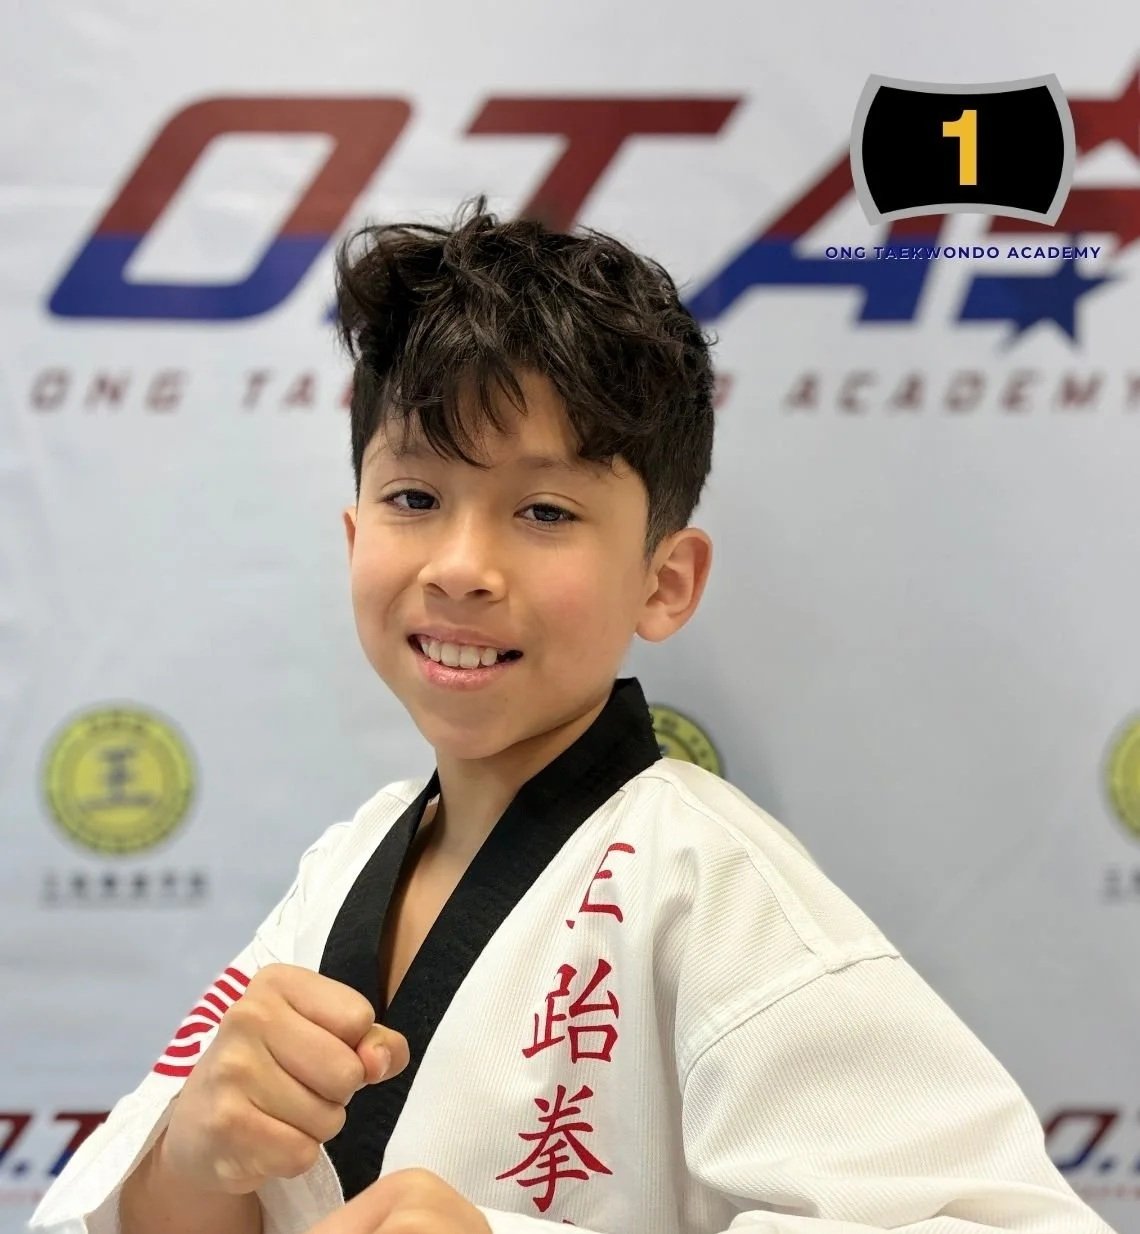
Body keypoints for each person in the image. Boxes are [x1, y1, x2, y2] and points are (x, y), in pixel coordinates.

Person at [30, 196, 1117, 1234]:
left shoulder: (715, 889)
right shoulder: (344, 864)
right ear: (353, 533)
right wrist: (191, 1157)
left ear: (665, 580)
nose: (461, 567)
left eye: (544, 510)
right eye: (415, 498)